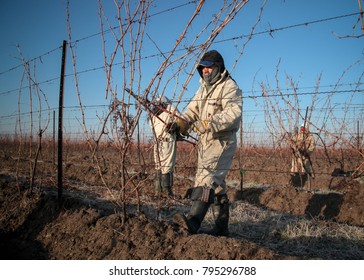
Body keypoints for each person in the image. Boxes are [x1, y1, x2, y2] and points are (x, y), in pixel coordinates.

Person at [172, 50, 242, 236]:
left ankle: (192, 224)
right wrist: (181, 124)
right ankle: (221, 228)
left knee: (206, 179)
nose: (205, 71)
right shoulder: (202, 89)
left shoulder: (229, 87)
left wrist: (209, 123)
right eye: (202, 67)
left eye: (209, 67)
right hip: (206, 143)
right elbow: (191, 111)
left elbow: (233, 114)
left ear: (218, 67)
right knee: (217, 185)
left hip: (222, 141)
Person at [150, 95, 181, 197]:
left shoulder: (153, 112)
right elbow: (181, 120)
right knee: (167, 166)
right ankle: (167, 192)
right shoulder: (170, 109)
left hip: (157, 141)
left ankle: (158, 191)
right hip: (168, 140)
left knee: (158, 165)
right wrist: (176, 128)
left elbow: (152, 126)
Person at [290, 123, 315, 190]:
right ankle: (295, 185)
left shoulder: (310, 136)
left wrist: (307, 152)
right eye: (301, 127)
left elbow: (312, 146)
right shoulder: (297, 135)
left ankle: (304, 185)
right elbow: (292, 143)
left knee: (305, 170)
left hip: (305, 156)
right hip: (296, 156)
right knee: (294, 170)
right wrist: (295, 149)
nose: (302, 129)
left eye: (303, 128)